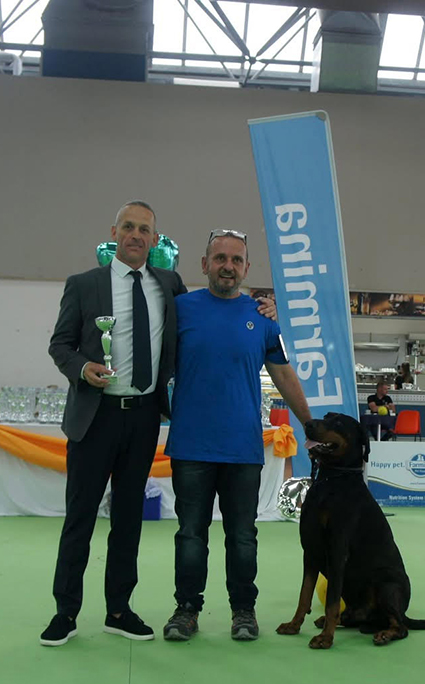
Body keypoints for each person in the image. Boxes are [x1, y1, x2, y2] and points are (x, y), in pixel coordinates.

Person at [40, 203, 277, 647]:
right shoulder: (83, 284)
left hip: (144, 418)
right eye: (128, 227)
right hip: (94, 418)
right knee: (80, 519)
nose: (136, 235)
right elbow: (60, 345)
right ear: (114, 232)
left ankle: (118, 610)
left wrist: (266, 307)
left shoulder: (169, 286)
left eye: (144, 229)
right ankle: (65, 612)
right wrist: (82, 368)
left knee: (128, 520)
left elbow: (219, 306)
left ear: (154, 239)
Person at [162, 228, 311, 643]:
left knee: (243, 537)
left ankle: (243, 611)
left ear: (247, 268)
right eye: (220, 258)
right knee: (190, 535)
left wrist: (310, 424)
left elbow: (283, 374)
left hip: (243, 449)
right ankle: (186, 610)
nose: (228, 266)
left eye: (236, 260)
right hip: (191, 446)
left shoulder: (263, 318)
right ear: (204, 264)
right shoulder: (180, 309)